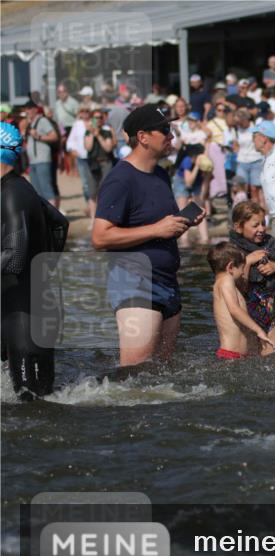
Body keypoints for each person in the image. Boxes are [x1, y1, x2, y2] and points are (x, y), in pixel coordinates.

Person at [92, 104, 206, 367]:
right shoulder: (120, 180)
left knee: (161, 376)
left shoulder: (159, 174)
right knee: (134, 377)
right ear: (143, 137)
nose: (171, 135)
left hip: (167, 282)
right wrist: (158, 229)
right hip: (135, 282)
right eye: (164, 129)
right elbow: (100, 238)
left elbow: (159, 227)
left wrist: (182, 223)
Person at [1, 121, 68, 400]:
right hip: (30, 304)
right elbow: (60, 224)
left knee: (32, 404)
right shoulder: (19, 188)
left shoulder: (12, 195)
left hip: (25, 316)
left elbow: (15, 256)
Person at [228, 201, 275, 354]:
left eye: (263, 224)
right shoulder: (232, 250)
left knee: (272, 362)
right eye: (255, 225)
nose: (261, 229)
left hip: (269, 319)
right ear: (238, 227)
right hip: (245, 321)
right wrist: (247, 262)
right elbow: (238, 289)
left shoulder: (271, 244)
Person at [208, 242, 275, 360]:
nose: (243, 273)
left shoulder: (225, 283)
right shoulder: (226, 281)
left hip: (236, 356)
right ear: (230, 267)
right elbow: (234, 310)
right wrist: (258, 330)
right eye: (242, 269)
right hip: (230, 355)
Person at [23, 101, 59, 207]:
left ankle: (53, 216)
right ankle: (44, 217)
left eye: (29, 108)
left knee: (46, 189)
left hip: (43, 160)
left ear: (35, 109)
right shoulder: (31, 123)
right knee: (36, 191)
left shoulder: (42, 121)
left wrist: (39, 137)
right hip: (33, 161)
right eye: (26, 109)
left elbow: (54, 136)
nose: (27, 111)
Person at [66, 107, 97, 220]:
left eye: (87, 111)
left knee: (96, 182)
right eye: (82, 111)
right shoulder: (77, 124)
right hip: (82, 158)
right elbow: (70, 141)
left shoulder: (94, 122)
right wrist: (73, 150)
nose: (85, 113)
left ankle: (95, 207)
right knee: (85, 184)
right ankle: (90, 206)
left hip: (94, 158)